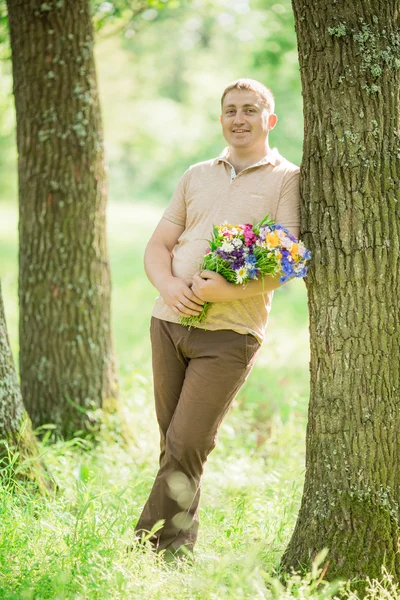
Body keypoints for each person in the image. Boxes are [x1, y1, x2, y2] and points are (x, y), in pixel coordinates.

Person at [133, 78, 301, 559]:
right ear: (221, 118)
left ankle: (142, 548)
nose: (239, 118)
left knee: (188, 441)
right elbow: (159, 245)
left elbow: (287, 260)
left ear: (269, 119)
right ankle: (177, 549)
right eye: (230, 110)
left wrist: (225, 290)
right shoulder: (196, 174)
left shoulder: (287, 177)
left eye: (251, 109)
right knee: (174, 445)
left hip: (229, 334)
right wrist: (169, 286)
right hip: (167, 322)